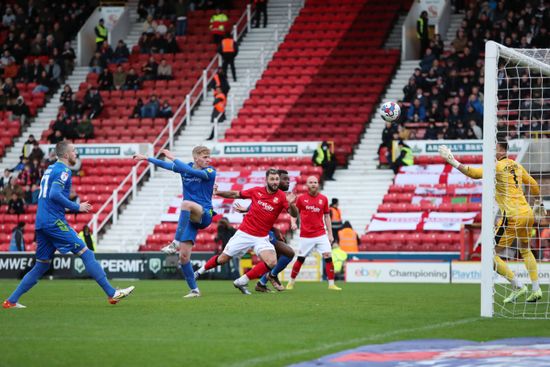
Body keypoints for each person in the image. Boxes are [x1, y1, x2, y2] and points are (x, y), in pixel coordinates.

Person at [3, 141, 134, 309]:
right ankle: (111, 293)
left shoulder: (50, 169)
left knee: (42, 265)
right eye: (73, 151)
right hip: (53, 222)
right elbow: (54, 194)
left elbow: (48, 196)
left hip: (41, 222)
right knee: (86, 254)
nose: (76, 153)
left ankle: (11, 301)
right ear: (65, 154)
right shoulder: (63, 170)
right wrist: (76, 206)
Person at [438, 136, 546, 303]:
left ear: (502, 150)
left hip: (512, 215)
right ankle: (536, 288)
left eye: (494, 147)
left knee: (489, 254)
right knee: (525, 250)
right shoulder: (516, 165)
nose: (492, 151)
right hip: (527, 213)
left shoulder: (497, 166)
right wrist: (539, 202)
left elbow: (473, 174)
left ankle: (517, 285)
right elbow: (533, 183)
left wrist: (452, 161)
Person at [195, 168, 298, 295]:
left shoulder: (282, 197)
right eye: (272, 179)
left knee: (272, 262)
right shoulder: (256, 191)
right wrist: (218, 193)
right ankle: (199, 272)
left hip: (262, 237)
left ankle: (242, 281)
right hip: (244, 233)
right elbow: (235, 194)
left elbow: (294, 214)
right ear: (266, 180)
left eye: (277, 179)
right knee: (223, 259)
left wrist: (291, 204)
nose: (275, 182)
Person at [134, 146, 216, 298]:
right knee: (183, 257)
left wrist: (173, 157)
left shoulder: (210, 171)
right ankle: (194, 290)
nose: (208, 160)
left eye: (209, 157)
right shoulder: (186, 168)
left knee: (185, 203)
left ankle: (175, 242)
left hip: (204, 214)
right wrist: (147, 159)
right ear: (196, 158)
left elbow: (193, 172)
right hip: (191, 219)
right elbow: (166, 166)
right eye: (205, 158)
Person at [233, 169, 296, 292]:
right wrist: (246, 211)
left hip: (267, 231)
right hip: (259, 233)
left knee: (278, 256)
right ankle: (270, 276)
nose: (288, 182)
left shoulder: (283, 196)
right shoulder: (264, 192)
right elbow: (257, 210)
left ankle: (262, 282)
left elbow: (292, 213)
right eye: (284, 179)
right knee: (288, 253)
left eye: (289, 180)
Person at [286, 176, 341, 291]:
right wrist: (293, 223)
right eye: (311, 182)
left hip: (321, 234)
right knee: (301, 259)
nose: (313, 184)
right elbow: (294, 213)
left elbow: (327, 216)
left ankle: (331, 284)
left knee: (328, 256)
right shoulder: (301, 199)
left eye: (315, 182)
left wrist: (330, 234)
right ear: (307, 185)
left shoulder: (324, 199)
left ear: (318, 184)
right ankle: (291, 282)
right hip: (306, 235)